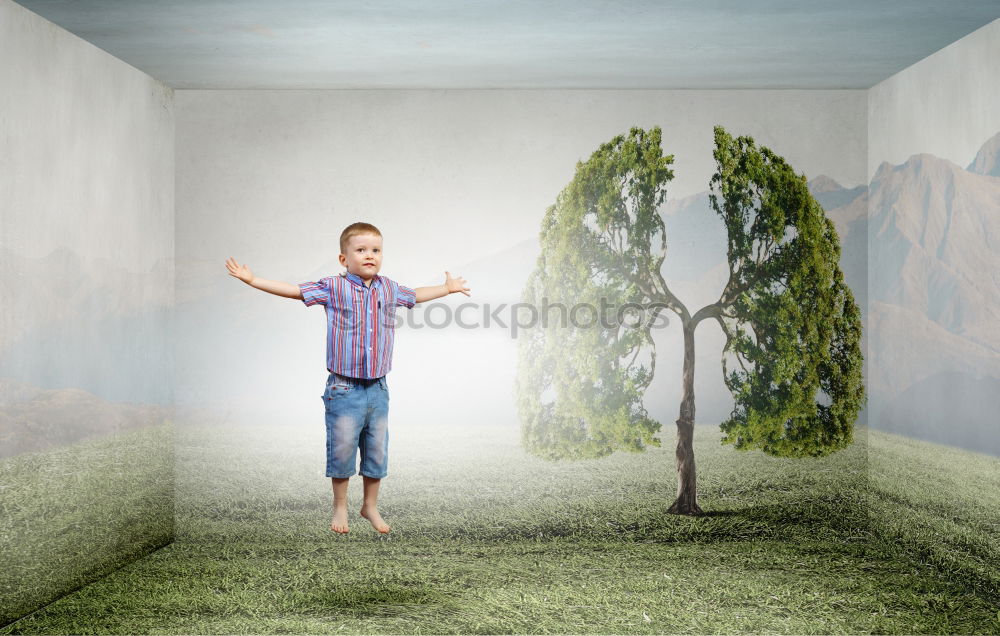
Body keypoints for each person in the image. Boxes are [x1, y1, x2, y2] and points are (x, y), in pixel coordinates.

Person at [225, 221, 470, 534]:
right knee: (342, 450)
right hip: (344, 388)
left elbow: (415, 295)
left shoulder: (389, 287)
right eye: (361, 250)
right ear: (344, 259)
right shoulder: (333, 287)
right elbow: (295, 290)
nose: (370, 255)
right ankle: (340, 507)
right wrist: (253, 279)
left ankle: (370, 506)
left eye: (376, 250)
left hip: (379, 387)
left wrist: (446, 289)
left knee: (377, 450)